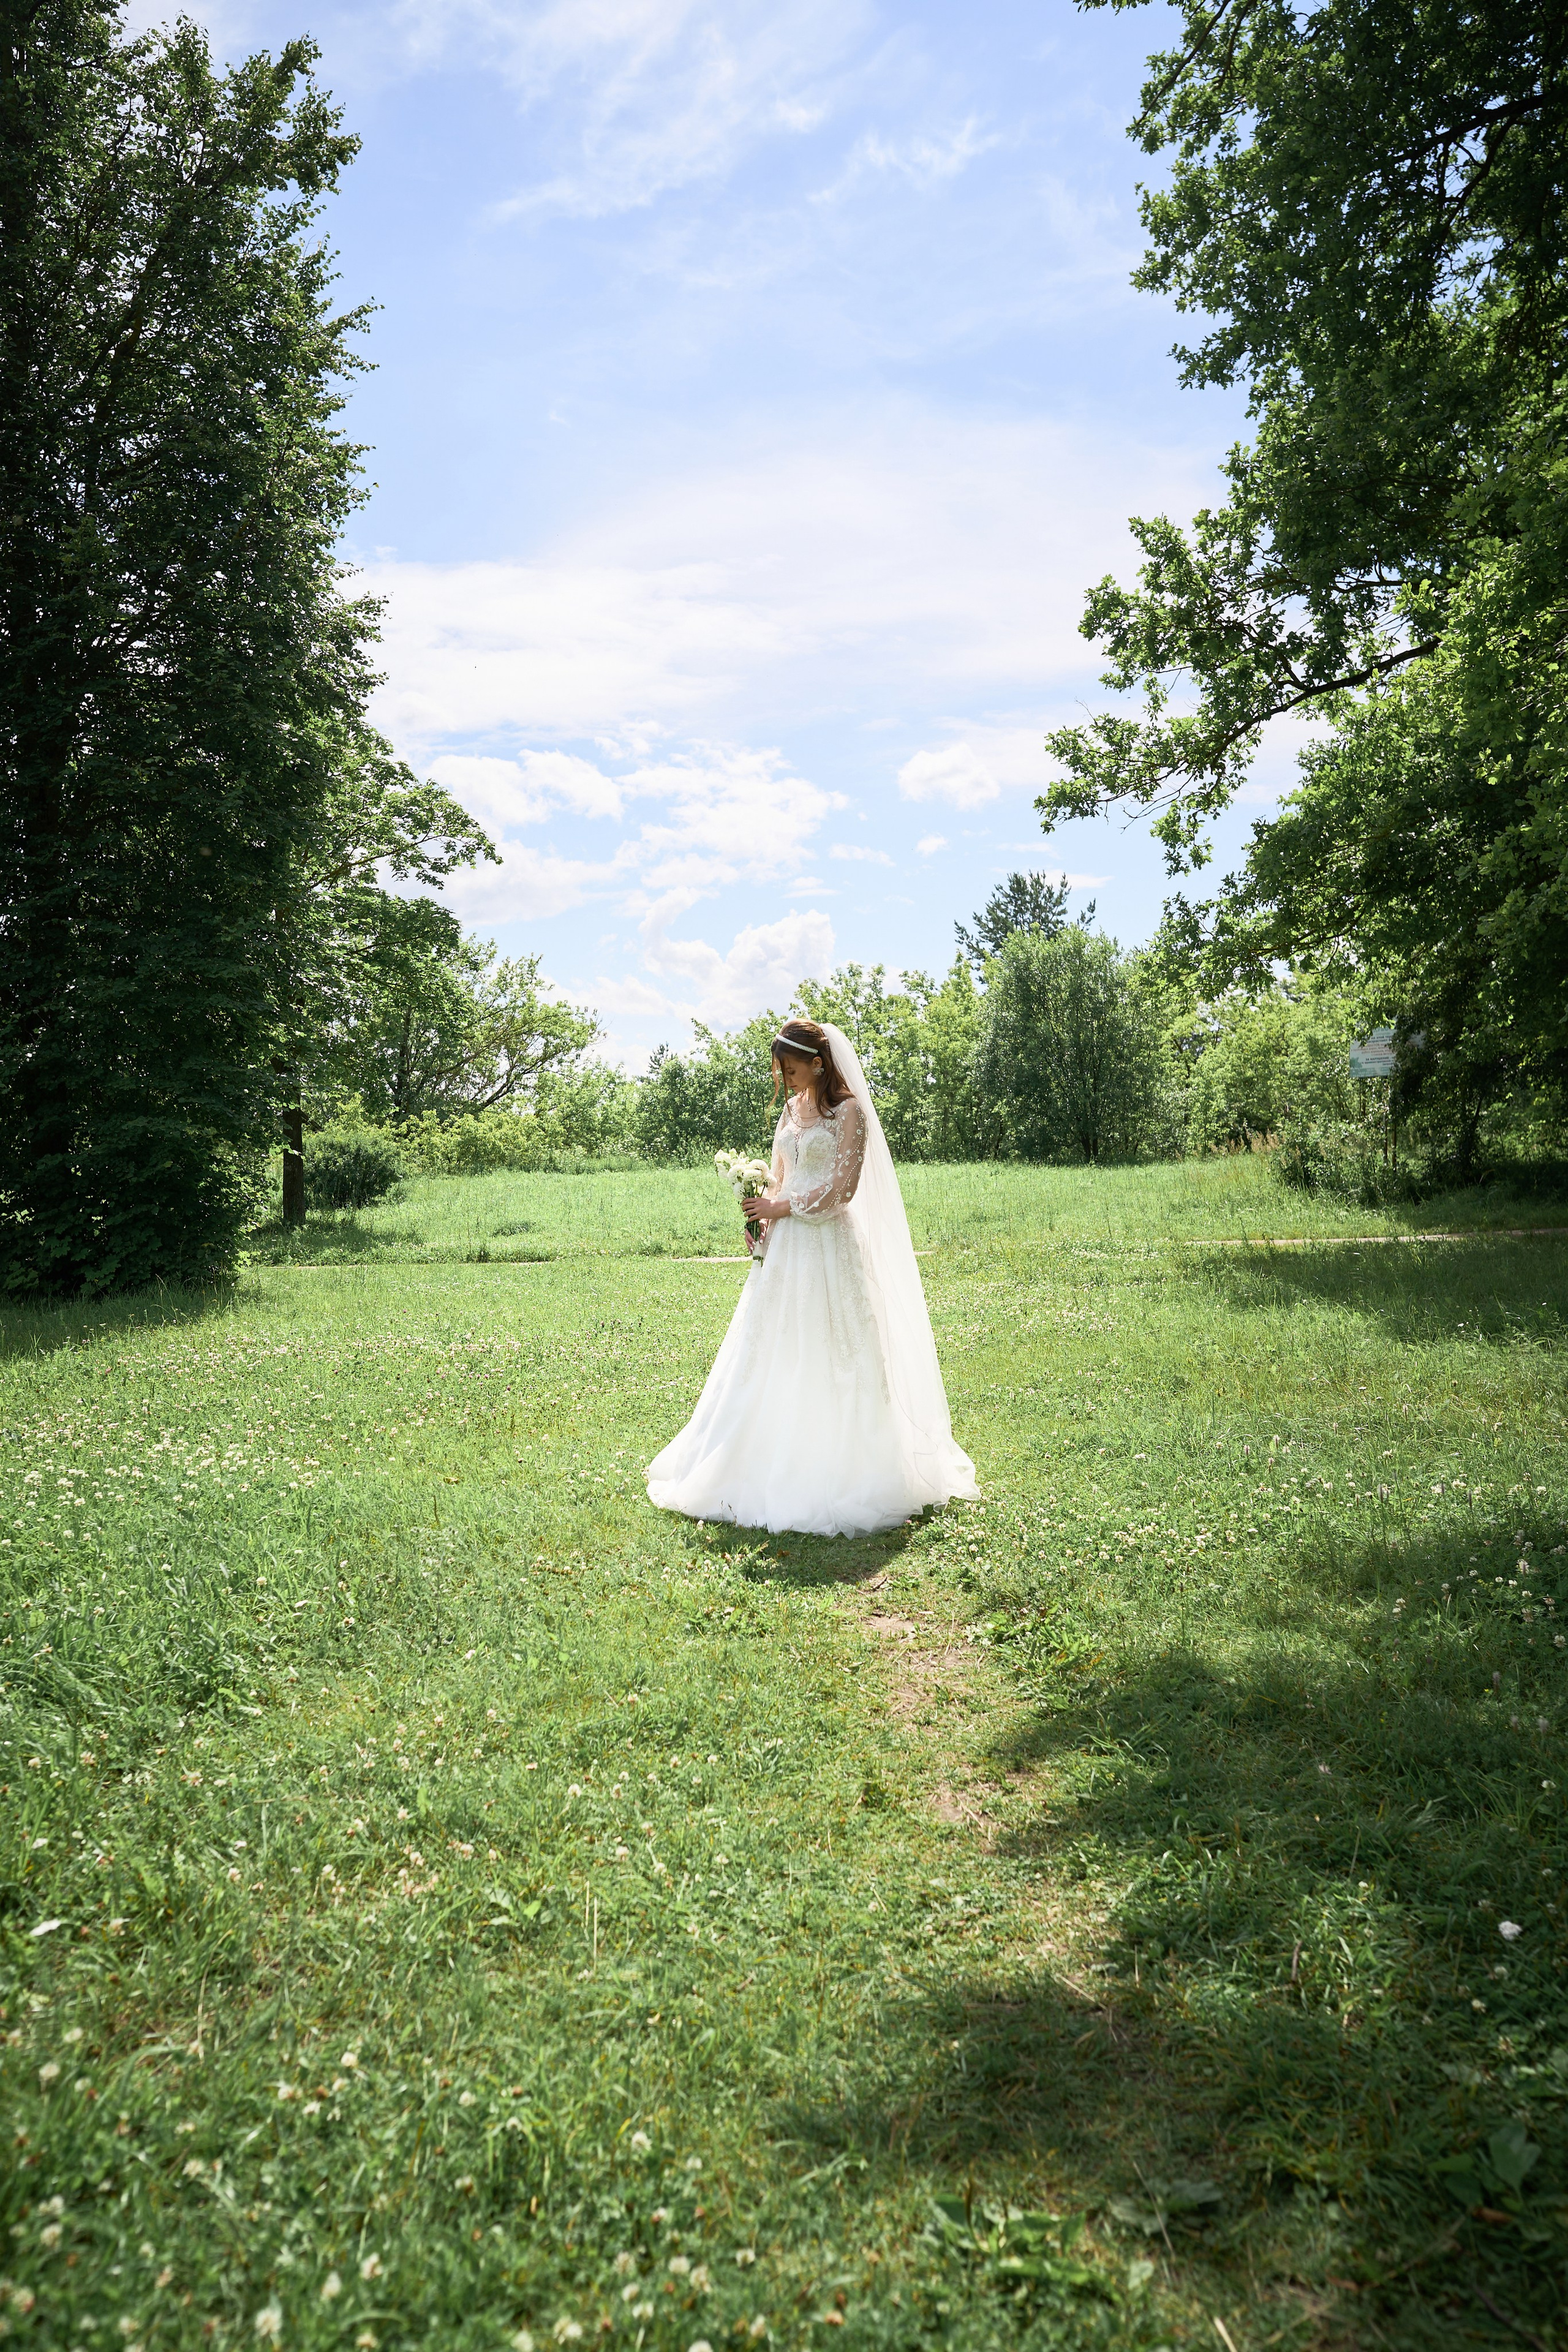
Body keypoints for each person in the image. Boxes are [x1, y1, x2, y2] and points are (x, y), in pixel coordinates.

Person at [646, 1017, 978, 1537]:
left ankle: (846, 1465)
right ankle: (756, 1456)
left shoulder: (849, 1113)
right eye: (783, 1070)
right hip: (784, 1248)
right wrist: (761, 1216)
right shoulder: (790, 1109)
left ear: (819, 1063)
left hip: (826, 1243)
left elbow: (842, 1190)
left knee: (835, 1347)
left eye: (794, 1068)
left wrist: (782, 1206)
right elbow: (781, 1173)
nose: (788, 1078)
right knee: (773, 1347)